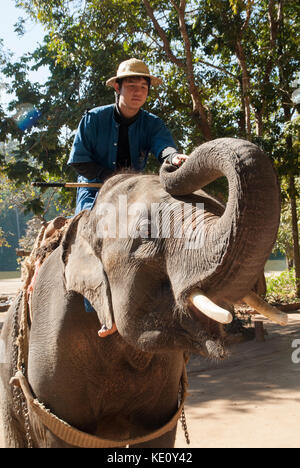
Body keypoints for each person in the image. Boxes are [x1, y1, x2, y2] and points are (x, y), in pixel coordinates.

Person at [68, 58, 188, 214]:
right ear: (118, 87)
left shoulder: (153, 124)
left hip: (134, 191)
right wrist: (114, 178)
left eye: (143, 87)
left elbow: (164, 147)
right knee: (89, 228)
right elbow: (79, 161)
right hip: (94, 190)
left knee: (159, 222)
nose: (138, 92)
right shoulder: (93, 119)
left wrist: (173, 157)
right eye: (131, 86)